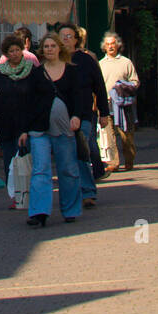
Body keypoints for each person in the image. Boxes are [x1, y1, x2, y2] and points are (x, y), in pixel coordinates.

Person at [18, 32, 89, 226]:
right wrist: (24, 130)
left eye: (53, 46)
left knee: (68, 169)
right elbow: (29, 102)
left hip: (64, 128)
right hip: (39, 129)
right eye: (46, 47)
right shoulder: (36, 73)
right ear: (42, 50)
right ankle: (39, 213)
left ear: (60, 49)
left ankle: (70, 210)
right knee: (40, 170)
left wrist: (76, 116)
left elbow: (78, 97)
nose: (49, 49)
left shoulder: (71, 71)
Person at [58, 24, 110, 208]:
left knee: (81, 151)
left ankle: (87, 191)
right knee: (66, 155)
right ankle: (72, 192)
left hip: (84, 113)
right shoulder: (54, 60)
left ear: (76, 40)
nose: (65, 39)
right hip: (60, 116)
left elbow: (99, 86)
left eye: (69, 36)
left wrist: (104, 113)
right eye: (62, 36)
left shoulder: (85, 60)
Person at [0, 34, 34, 206]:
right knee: (10, 162)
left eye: (18, 50)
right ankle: (15, 196)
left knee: (26, 159)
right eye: (12, 51)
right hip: (5, 123)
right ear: (6, 54)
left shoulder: (31, 70)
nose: (15, 53)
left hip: (25, 122)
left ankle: (29, 193)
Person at [99, 32, 139, 170]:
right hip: (107, 103)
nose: (110, 46)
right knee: (109, 136)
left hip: (123, 104)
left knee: (126, 135)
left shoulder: (126, 62)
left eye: (113, 43)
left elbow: (135, 81)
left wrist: (126, 86)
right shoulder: (101, 64)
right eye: (108, 44)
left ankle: (129, 160)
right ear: (104, 47)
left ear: (118, 45)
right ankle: (113, 163)